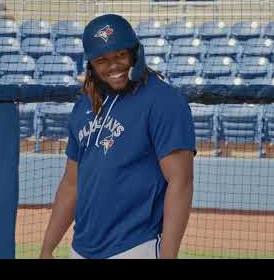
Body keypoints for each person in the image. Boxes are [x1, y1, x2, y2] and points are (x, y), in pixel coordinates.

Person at [40, 14, 196, 259]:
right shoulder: (84, 105)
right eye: (102, 60)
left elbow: (181, 182)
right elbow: (71, 183)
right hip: (81, 249)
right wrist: (47, 248)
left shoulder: (164, 101)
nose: (113, 66)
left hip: (134, 247)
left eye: (120, 55)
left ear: (135, 52)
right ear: (91, 64)